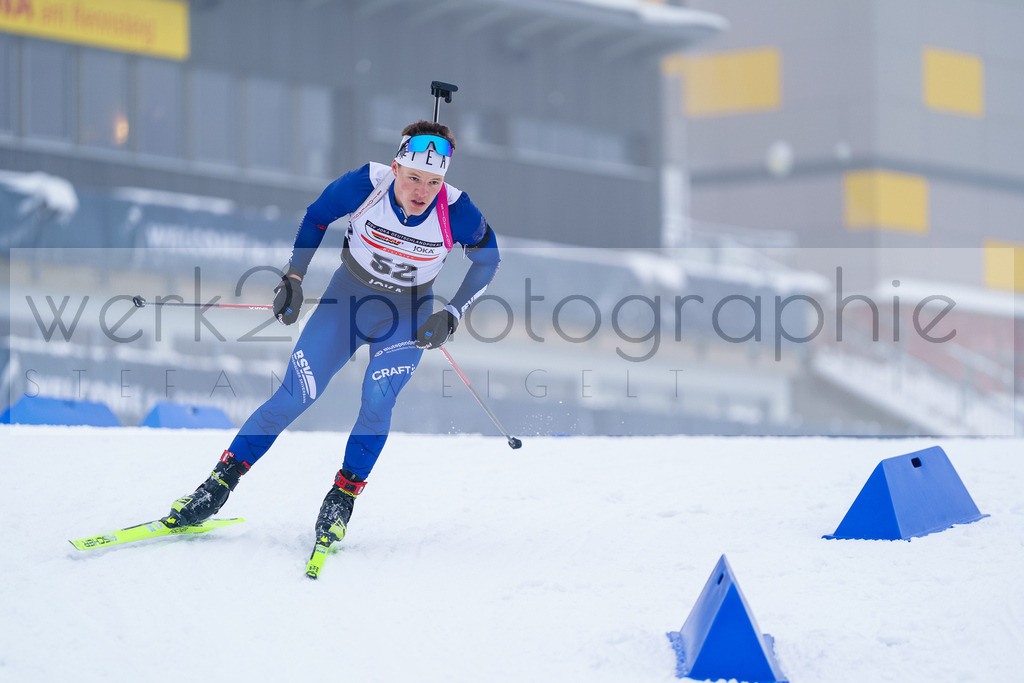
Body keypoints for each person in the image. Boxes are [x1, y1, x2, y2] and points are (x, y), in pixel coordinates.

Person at [162, 120, 500, 549]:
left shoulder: (458, 211)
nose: (422, 191)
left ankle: (342, 498)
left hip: (406, 315)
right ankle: (216, 486)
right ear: (396, 168)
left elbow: (489, 261)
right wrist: (294, 276)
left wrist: (451, 314)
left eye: (433, 182)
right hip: (346, 301)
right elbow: (318, 215)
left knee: (378, 399)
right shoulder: (366, 184)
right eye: (414, 177)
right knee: (294, 395)